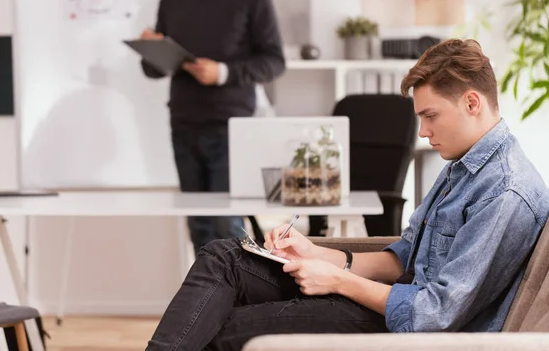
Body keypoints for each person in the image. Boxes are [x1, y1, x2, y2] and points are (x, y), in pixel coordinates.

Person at [145, 38, 549, 350]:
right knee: (223, 256)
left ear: (472, 102)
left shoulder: (505, 192)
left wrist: (338, 280)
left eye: (430, 116)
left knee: (221, 329)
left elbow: (434, 316)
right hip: (388, 300)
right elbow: (403, 257)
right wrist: (318, 255)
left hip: (404, 327)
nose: (423, 132)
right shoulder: (463, 166)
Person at [140, 0, 286, 255]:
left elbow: (274, 62)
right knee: (199, 226)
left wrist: (223, 73)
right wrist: (152, 51)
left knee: (225, 226)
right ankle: (207, 300)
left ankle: (237, 301)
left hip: (231, 127)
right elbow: (153, 70)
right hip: (183, 125)